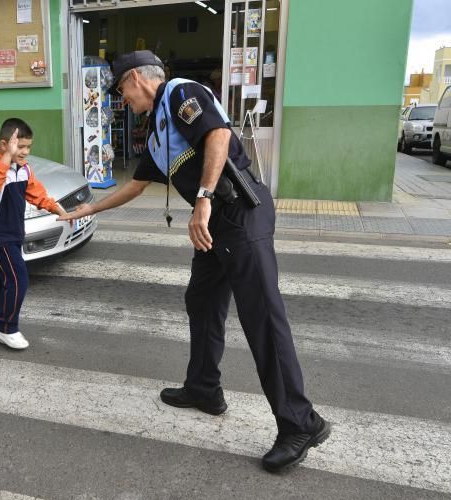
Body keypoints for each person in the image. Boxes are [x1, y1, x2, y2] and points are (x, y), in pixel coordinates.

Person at [60, 51, 329, 473]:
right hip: (214, 227)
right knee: (201, 301)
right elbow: (135, 187)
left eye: (121, 91)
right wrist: (84, 211)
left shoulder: (180, 93)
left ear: (135, 79)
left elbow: (218, 135)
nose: (122, 100)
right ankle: (204, 388)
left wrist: (201, 199)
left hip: (240, 212)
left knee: (263, 318)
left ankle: (301, 422)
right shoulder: (155, 133)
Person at [0, 118, 71, 350]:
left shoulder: (23, 170)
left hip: (14, 235)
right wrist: (7, 159)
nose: (25, 152)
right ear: (3, 144)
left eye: (28, 147)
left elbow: (37, 194)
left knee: (2, 280)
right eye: (20, 147)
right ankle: (7, 327)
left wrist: (59, 210)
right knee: (19, 278)